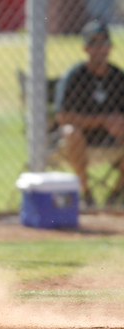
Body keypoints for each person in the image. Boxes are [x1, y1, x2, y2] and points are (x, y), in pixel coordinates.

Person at [55, 20, 124, 206]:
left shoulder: (118, 77)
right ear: (85, 48)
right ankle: (86, 195)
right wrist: (102, 120)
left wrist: (119, 123)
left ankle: (116, 196)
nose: (101, 48)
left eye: (104, 43)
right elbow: (62, 117)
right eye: (95, 43)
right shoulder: (75, 76)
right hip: (76, 142)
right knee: (71, 131)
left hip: (111, 140)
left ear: (111, 46)